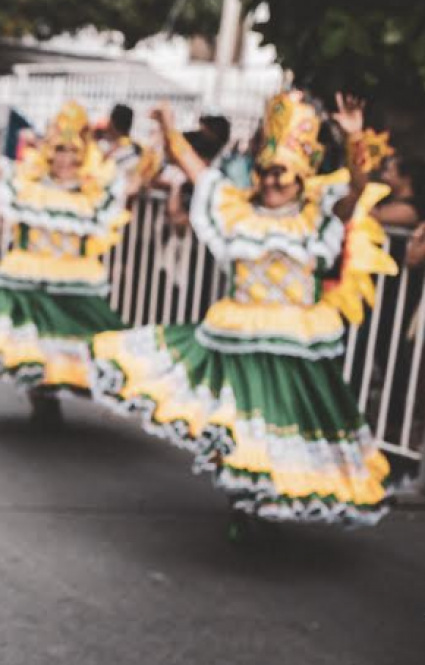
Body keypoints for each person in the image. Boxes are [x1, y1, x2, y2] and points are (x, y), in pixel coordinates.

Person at [91, 92, 396, 533]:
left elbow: (355, 191)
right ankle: (243, 505)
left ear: (300, 177)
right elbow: (198, 170)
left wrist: (353, 142)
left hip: (294, 344)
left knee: (278, 432)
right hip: (237, 340)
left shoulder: (315, 217)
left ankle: (263, 502)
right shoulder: (237, 210)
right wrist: (168, 126)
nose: (272, 183)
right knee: (240, 428)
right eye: (267, 172)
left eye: (283, 176)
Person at [0, 101, 130, 424]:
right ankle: (40, 395)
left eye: (72, 151)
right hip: (28, 274)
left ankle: (52, 392)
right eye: (59, 150)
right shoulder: (29, 184)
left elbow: (131, 185)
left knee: (65, 340)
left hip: (72, 279)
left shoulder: (93, 192)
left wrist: (163, 141)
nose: (65, 159)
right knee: (32, 340)